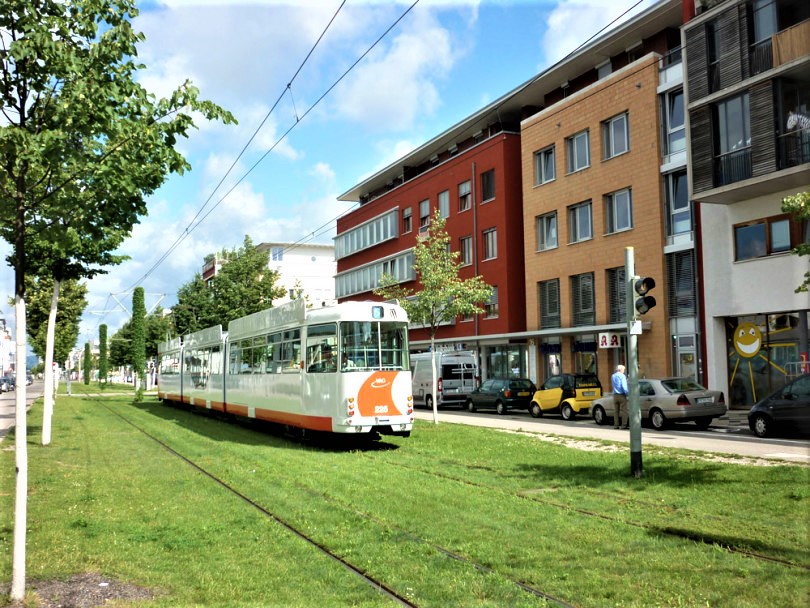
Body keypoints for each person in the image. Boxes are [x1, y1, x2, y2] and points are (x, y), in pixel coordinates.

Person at [611, 364, 629, 429]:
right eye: (623, 369)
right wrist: (627, 393)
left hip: (615, 395)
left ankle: (616, 425)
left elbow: (613, 385)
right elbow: (624, 386)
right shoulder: (622, 376)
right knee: (624, 410)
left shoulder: (613, 376)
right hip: (621, 395)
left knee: (616, 411)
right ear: (621, 369)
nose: (624, 371)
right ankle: (624, 425)